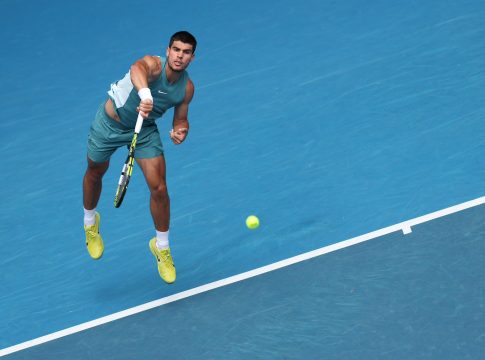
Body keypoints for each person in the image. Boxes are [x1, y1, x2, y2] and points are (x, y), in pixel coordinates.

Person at [82, 31, 197, 284]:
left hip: (144, 130)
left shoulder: (186, 88)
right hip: (109, 124)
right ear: (168, 51)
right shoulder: (153, 65)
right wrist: (145, 94)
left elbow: (181, 119)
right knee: (95, 172)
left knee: (160, 188)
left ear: (192, 57)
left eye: (186, 52)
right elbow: (137, 68)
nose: (180, 56)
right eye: (176, 50)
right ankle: (90, 222)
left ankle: (162, 247)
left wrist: (181, 131)